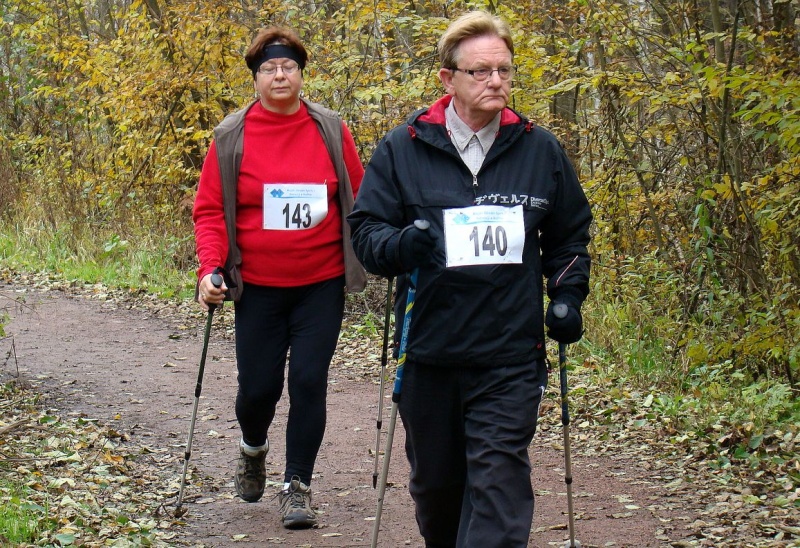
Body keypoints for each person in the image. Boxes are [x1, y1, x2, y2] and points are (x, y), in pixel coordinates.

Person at [348, 10, 592, 548]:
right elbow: (366, 235)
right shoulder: (403, 147)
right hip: (430, 354)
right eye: (481, 72)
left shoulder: (539, 149)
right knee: (439, 495)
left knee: (500, 495)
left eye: (504, 70)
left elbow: (570, 236)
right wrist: (401, 245)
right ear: (448, 78)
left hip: (509, 355)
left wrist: (568, 297)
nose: (496, 82)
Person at [192, 26, 366, 529]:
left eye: (288, 66)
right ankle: (252, 447)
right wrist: (210, 269)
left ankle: (297, 486)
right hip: (258, 287)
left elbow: (361, 198)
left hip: (320, 282)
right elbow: (209, 210)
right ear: (255, 78)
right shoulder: (231, 135)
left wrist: (385, 246)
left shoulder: (330, 128)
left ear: (301, 73)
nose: (280, 74)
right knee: (258, 390)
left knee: (309, 381)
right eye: (269, 68)